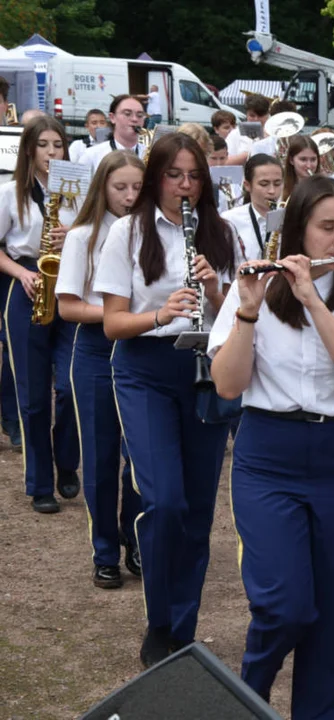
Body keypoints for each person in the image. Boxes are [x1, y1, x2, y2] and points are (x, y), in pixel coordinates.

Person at [208, 176, 334, 719]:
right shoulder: (254, 290)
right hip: (269, 455)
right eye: (327, 228)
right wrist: (246, 311)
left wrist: (312, 298)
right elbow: (227, 386)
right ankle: (248, 695)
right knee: (284, 606)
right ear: (297, 233)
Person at [95, 132, 236, 668]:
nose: (185, 186)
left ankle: (183, 629)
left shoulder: (220, 233)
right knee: (165, 502)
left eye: (194, 176)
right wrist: (163, 312)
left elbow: (235, 314)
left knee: (198, 510)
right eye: (174, 175)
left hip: (203, 369)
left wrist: (215, 290)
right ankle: (159, 621)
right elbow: (112, 323)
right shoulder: (127, 234)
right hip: (144, 370)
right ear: (156, 178)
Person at [56, 151, 144, 587]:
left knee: (142, 456)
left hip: (141, 348)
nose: (129, 196)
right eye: (120, 187)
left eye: (136, 188)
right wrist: (119, 313)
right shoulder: (83, 235)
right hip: (94, 351)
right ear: (102, 188)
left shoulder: (150, 233)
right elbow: (68, 306)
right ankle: (104, 550)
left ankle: (136, 538)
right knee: (101, 456)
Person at [0, 116, 81, 513]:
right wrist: (22, 273)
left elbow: (99, 235)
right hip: (27, 286)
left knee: (70, 386)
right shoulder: (8, 193)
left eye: (59, 145)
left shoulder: (77, 191)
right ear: (29, 149)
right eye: (45, 145)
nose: (52, 153)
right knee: (32, 396)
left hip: (69, 288)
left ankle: (67, 462)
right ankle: (40, 482)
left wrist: (76, 235)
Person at [223, 154, 284, 264]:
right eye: (264, 184)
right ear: (247, 185)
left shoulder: (290, 217)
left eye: (277, 183)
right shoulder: (229, 220)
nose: (272, 191)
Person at [79, 95, 148, 176]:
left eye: (140, 115)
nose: (135, 119)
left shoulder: (151, 155)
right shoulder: (91, 155)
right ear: (112, 118)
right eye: (127, 114)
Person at [283, 135, 319, 201]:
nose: (309, 165)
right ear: (291, 160)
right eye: (303, 159)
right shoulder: (281, 188)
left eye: (313, 159)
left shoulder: (323, 188)